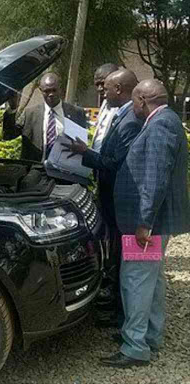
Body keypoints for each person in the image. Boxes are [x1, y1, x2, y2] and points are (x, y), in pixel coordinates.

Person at [100, 79, 190, 368]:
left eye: (135, 103)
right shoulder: (167, 119)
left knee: (135, 280)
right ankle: (149, 335)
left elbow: (155, 179)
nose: (133, 108)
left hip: (146, 223)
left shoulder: (160, 125)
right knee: (150, 279)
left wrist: (144, 223)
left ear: (141, 100)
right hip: (152, 222)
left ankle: (135, 346)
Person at [62, 69, 143, 327]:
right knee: (120, 258)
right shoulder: (125, 114)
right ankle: (123, 315)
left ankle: (126, 322)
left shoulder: (130, 119)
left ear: (118, 89)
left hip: (125, 205)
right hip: (113, 200)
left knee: (132, 268)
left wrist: (85, 152)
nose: (102, 93)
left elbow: (115, 163)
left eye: (106, 88)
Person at [2, 73, 87, 162]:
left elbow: (82, 146)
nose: (51, 94)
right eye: (47, 91)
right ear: (41, 90)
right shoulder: (30, 114)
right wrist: (12, 108)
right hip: (35, 171)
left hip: (64, 172)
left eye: (54, 90)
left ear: (60, 89)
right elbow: (8, 135)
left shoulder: (76, 113)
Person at [92, 63, 120, 153]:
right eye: (97, 84)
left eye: (103, 83)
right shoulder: (105, 103)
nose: (99, 88)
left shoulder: (124, 108)